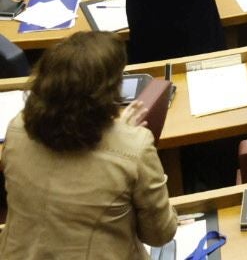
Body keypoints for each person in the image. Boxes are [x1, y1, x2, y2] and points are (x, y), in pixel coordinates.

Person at [0, 32, 177, 256]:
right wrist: (126, 138)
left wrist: (119, 131)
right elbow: (160, 234)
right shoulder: (135, 147)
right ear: (105, 95)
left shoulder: (16, 128)